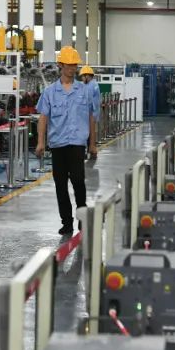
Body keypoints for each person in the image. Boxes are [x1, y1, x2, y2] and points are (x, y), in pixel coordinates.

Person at [35, 46, 98, 236]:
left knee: (78, 180)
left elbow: (91, 118)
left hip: (77, 143)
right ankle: (67, 222)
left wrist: (92, 144)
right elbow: (43, 118)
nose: (72, 68)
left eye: (74, 65)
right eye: (69, 65)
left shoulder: (84, 91)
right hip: (58, 144)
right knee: (60, 184)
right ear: (60, 65)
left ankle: (82, 217)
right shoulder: (50, 92)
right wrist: (40, 142)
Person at [80, 65, 101, 162]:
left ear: (87, 76)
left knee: (86, 133)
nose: (82, 78)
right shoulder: (93, 84)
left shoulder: (90, 86)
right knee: (91, 133)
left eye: (82, 76)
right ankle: (92, 151)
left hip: (89, 114)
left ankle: (89, 151)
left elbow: (87, 101)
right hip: (93, 113)